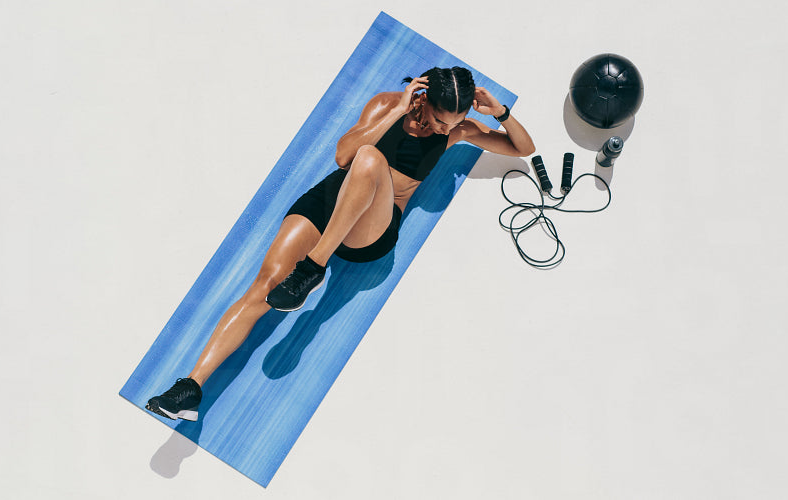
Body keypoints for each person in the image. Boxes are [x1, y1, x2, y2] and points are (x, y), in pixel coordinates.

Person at [146, 66, 535, 421]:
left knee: (370, 160)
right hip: (330, 202)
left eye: (452, 122)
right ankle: (191, 388)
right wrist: (396, 113)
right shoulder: (385, 105)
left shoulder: (457, 131)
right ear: (422, 98)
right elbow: (342, 156)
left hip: (372, 229)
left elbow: (523, 148)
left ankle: (313, 268)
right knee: (264, 286)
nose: (442, 129)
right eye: (437, 119)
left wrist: (500, 112)